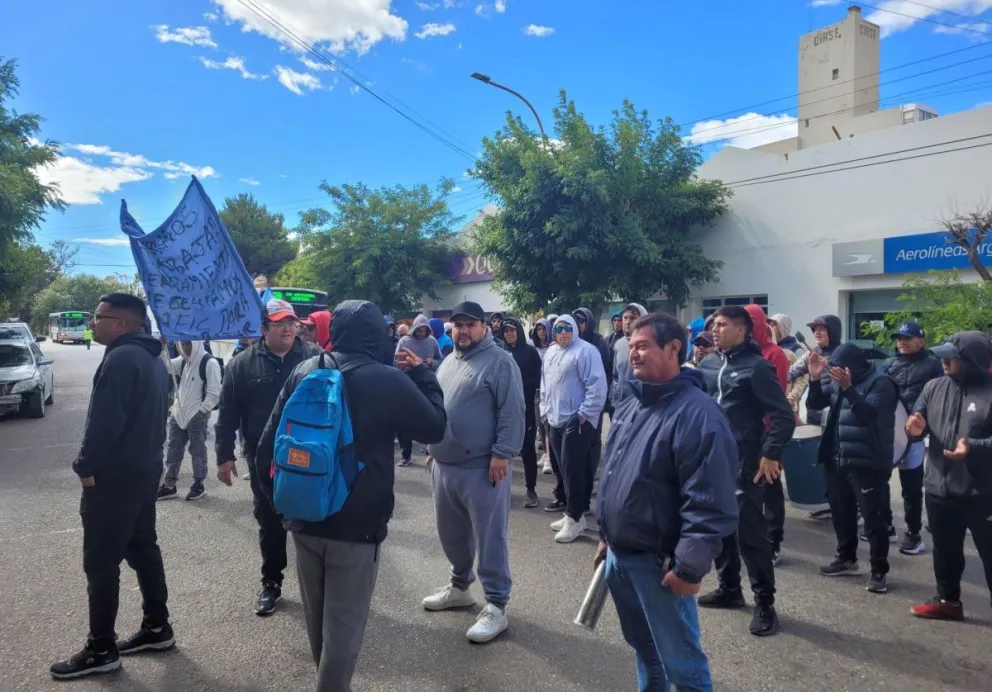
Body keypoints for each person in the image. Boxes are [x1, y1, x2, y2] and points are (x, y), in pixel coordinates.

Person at [254, 300, 446, 690]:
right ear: (377, 334)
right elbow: (434, 427)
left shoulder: (305, 370)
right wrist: (424, 376)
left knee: (318, 620)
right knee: (343, 627)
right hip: (357, 526)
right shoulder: (387, 379)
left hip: (303, 516)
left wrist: (279, 505)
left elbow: (265, 449)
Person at [595, 313, 739, 692]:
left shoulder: (699, 415)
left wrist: (690, 568)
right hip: (620, 556)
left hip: (659, 565)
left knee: (684, 667)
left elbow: (709, 501)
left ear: (674, 348)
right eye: (631, 347)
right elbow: (613, 473)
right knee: (645, 649)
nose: (633, 355)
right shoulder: (631, 403)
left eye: (643, 346)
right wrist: (606, 533)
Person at [51, 294, 173, 680]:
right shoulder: (152, 357)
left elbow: (104, 424)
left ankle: (100, 647)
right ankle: (157, 627)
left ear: (120, 324)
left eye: (97, 316)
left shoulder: (122, 358)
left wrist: (85, 467)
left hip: (115, 478)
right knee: (142, 548)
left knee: (102, 562)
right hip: (144, 470)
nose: (93, 322)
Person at [423, 301, 525, 643]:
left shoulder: (500, 362)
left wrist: (502, 453)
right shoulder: (449, 360)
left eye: (470, 324)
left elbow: (513, 411)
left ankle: (497, 605)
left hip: (484, 466)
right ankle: (459, 587)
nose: (462, 330)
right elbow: (440, 407)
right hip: (445, 464)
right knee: (451, 533)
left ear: (484, 327)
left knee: (490, 538)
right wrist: (433, 448)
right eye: (457, 325)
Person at [214, 299, 322, 616]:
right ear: (263, 329)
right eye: (279, 323)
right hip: (265, 459)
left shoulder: (316, 358)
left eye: (291, 322)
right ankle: (271, 582)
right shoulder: (241, 365)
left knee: (313, 519)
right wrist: (224, 456)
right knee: (270, 522)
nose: (288, 328)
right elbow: (228, 414)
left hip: (309, 457)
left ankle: (319, 586)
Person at [696, 306, 795, 637]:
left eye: (723, 325)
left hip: (746, 461)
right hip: (712, 461)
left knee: (751, 535)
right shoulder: (709, 364)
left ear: (743, 331)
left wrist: (771, 453)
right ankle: (729, 589)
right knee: (719, 528)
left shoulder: (757, 367)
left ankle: (765, 603)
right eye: (714, 325)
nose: (716, 330)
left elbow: (782, 413)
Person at [907, 332, 992, 621]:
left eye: (950, 356)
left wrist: (974, 447)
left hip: (983, 492)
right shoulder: (933, 387)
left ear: (971, 360)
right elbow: (917, 421)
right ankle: (948, 601)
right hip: (939, 487)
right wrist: (915, 428)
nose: (943, 359)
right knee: (945, 552)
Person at [808, 344, 898, 594]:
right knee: (841, 513)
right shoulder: (838, 378)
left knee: (873, 518)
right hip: (837, 457)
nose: (835, 373)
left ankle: (879, 570)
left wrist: (848, 389)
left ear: (855, 366)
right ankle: (846, 558)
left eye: (840, 368)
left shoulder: (881, 383)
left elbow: (868, 415)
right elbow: (816, 404)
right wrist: (815, 379)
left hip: (868, 461)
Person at [541, 314, 608, 543]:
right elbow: (545, 385)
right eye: (558, 329)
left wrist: (582, 416)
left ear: (575, 330)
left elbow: (597, 387)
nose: (562, 333)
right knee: (562, 471)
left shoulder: (586, 351)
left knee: (575, 471)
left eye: (567, 329)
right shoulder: (550, 353)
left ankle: (576, 517)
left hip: (577, 422)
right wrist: (545, 411)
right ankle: (570, 512)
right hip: (554, 420)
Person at [883, 321, 944, 556]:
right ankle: (886, 525)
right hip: (890, 432)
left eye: (907, 338)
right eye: (899, 338)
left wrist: (923, 427)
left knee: (911, 487)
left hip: (916, 435)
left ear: (921, 341)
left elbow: (937, 399)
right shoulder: (889, 364)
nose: (902, 342)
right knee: (881, 481)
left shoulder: (933, 365)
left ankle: (913, 532)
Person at [745, 304, 791, 565]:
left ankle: (773, 542)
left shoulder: (775, 355)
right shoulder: (735, 354)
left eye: (750, 322)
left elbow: (777, 400)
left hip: (767, 435)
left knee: (771, 489)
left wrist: (770, 444)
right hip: (743, 437)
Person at [157, 340, 221, 502]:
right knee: (173, 450)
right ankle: (169, 485)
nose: (185, 347)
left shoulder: (209, 362)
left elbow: (215, 393)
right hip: (179, 413)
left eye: (188, 344)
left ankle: (198, 484)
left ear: (197, 343)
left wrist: (201, 411)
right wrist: (162, 347)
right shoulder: (183, 360)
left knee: (197, 451)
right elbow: (164, 365)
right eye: (182, 344)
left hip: (196, 414)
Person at [502, 317, 543, 507]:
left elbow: (537, 380)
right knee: (503, 450)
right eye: (506, 331)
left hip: (525, 408)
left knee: (527, 451)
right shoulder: (499, 353)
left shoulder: (530, 352)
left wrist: (516, 383)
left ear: (518, 331)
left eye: (512, 330)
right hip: (503, 411)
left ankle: (531, 490)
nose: (509, 334)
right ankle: (502, 489)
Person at [394, 314, 443, 467]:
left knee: (429, 415)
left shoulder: (432, 341)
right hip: (408, 380)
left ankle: (431, 449)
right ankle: (406, 454)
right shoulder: (404, 341)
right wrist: (405, 363)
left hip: (426, 380)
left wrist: (431, 362)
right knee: (404, 419)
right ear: (414, 329)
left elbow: (440, 360)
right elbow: (396, 361)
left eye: (424, 330)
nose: (422, 333)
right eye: (419, 330)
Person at [610, 303, 649, 410]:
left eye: (632, 318)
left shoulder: (650, 344)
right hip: (619, 405)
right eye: (625, 318)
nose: (627, 321)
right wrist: (614, 398)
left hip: (640, 406)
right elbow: (615, 376)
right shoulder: (618, 344)